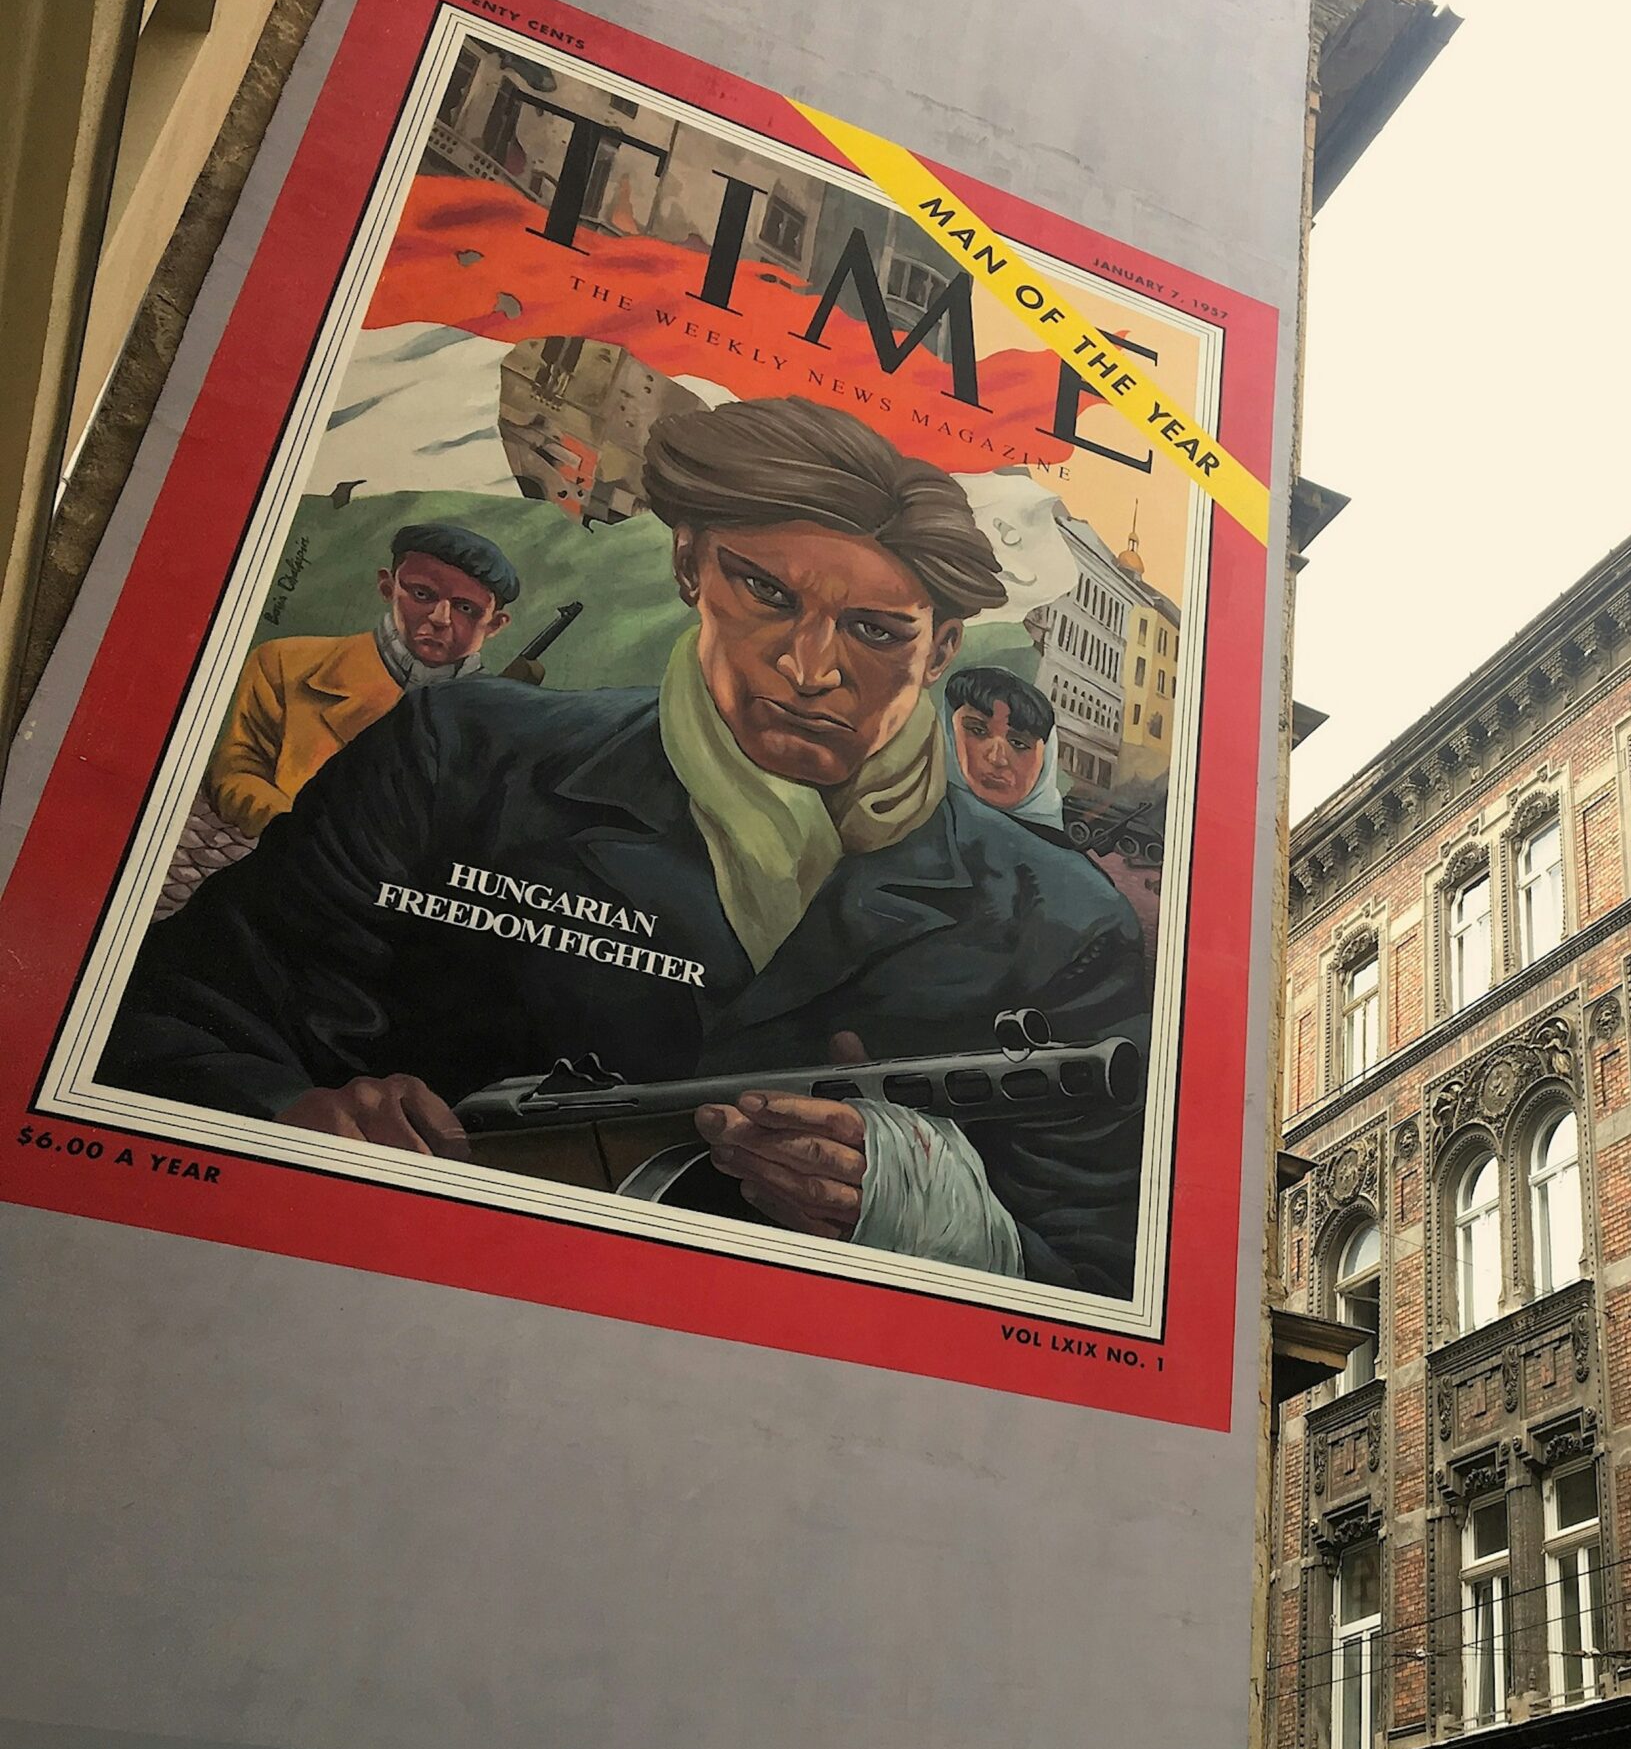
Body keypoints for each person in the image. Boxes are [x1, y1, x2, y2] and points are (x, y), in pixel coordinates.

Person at [102, 397, 1148, 1297]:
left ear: (943, 651)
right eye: (768, 594)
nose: (808, 666)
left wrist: (945, 1229)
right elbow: (161, 1017)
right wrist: (287, 1113)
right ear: (691, 566)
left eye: (877, 631)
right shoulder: (460, 758)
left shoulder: (1059, 923)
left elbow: (1107, 1287)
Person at [208, 522, 518, 838]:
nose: (440, 618)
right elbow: (238, 773)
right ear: (387, 587)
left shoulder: (511, 721)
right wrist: (299, 834)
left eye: (465, 608)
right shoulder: (284, 664)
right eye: (422, 594)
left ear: (495, 624)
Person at [944, 665, 1062, 826]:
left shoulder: (1057, 846)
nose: (997, 759)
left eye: (1018, 743)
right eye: (977, 731)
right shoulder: (914, 823)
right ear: (949, 730)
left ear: (1046, 758)